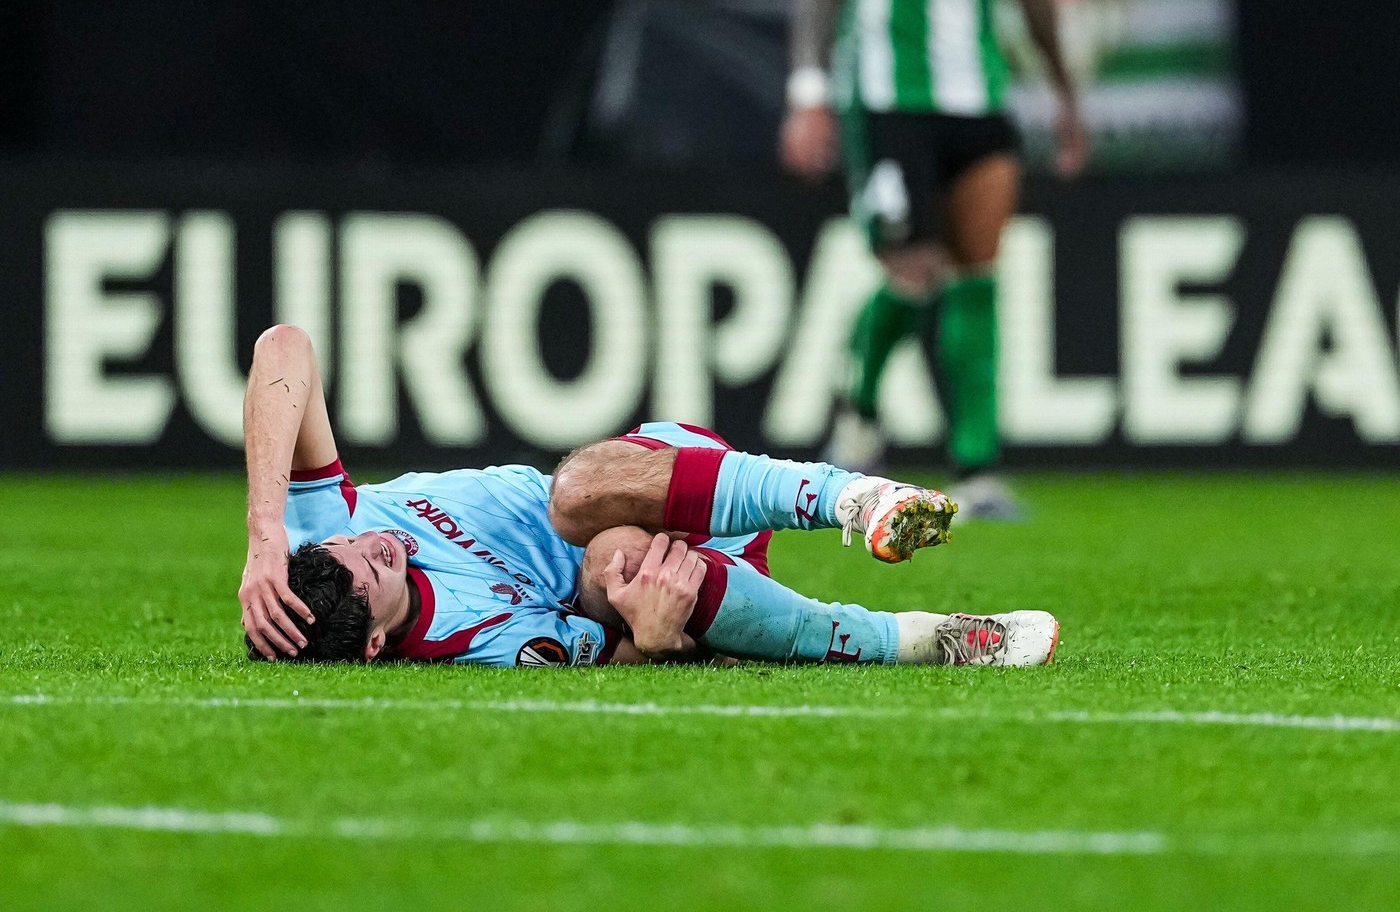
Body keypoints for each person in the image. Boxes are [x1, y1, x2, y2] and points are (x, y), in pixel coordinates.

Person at [238, 324, 1060, 667]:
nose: (377, 549)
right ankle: (933, 639)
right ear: (377, 645)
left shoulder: (316, 527)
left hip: (671, 474)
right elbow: (605, 650)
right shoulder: (475, 643)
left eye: (350, 550)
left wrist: (266, 529)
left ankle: (853, 497)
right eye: (371, 577)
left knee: (572, 497)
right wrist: (654, 641)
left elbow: (285, 347)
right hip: (703, 586)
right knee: (613, 566)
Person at [780, 0, 1087, 519]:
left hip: (980, 101)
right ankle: (862, 409)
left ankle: (977, 471)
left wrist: (1064, 91)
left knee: (977, 278)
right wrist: (809, 95)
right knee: (913, 275)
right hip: (889, 102)